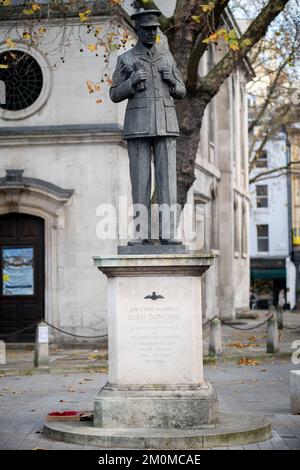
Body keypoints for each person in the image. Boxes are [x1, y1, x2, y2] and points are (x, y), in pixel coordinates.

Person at [109, 9, 186, 246]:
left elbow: (182, 91)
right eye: (147, 30)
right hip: (138, 126)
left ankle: (168, 233)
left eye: (155, 29)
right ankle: (141, 233)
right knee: (140, 181)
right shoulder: (126, 59)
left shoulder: (167, 58)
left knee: (167, 183)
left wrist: (172, 81)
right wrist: (131, 83)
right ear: (138, 31)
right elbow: (113, 94)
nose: (152, 33)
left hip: (166, 124)